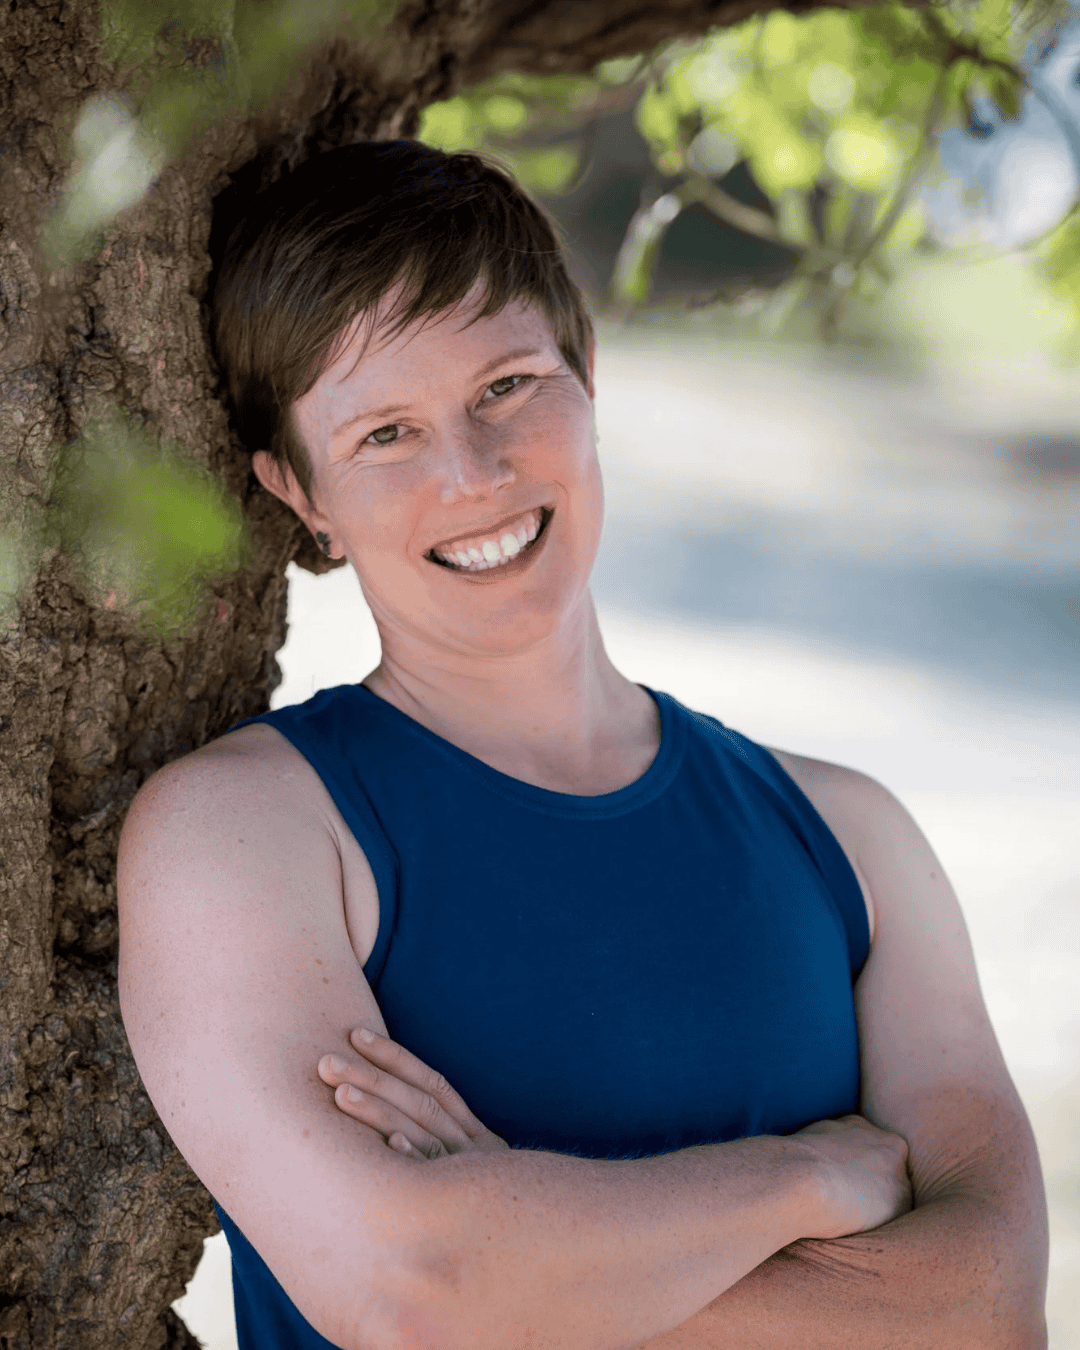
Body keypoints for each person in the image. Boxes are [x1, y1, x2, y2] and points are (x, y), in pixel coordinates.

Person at [116, 140, 1048, 1350]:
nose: (475, 474)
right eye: (384, 435)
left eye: (505, 387)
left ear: (586, 372)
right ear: (301, 496)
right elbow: (413, 1290)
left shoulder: (853, 837)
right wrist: (805, 1183)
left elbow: (988, 1307)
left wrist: (527, 1254)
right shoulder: (245, 834)